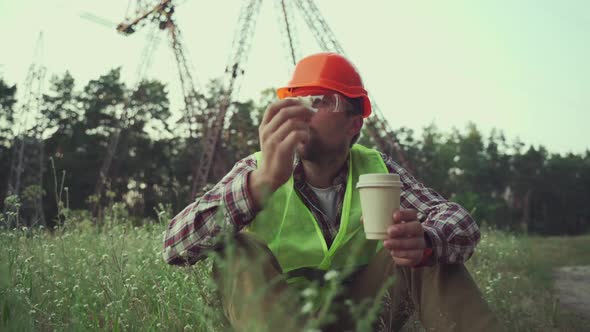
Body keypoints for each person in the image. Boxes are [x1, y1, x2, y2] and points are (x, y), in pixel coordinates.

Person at [163, 52, 502, 332]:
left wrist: (426, 241)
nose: (302, 111)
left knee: (424, 248)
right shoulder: (257, 168)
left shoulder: (376, 168)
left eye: (320, 101)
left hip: (363, 315)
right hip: (283, 317)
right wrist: (261, 183)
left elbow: (460, 223)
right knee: (237, 246)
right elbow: (174, 247)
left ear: (353, 123)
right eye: (295, 100)